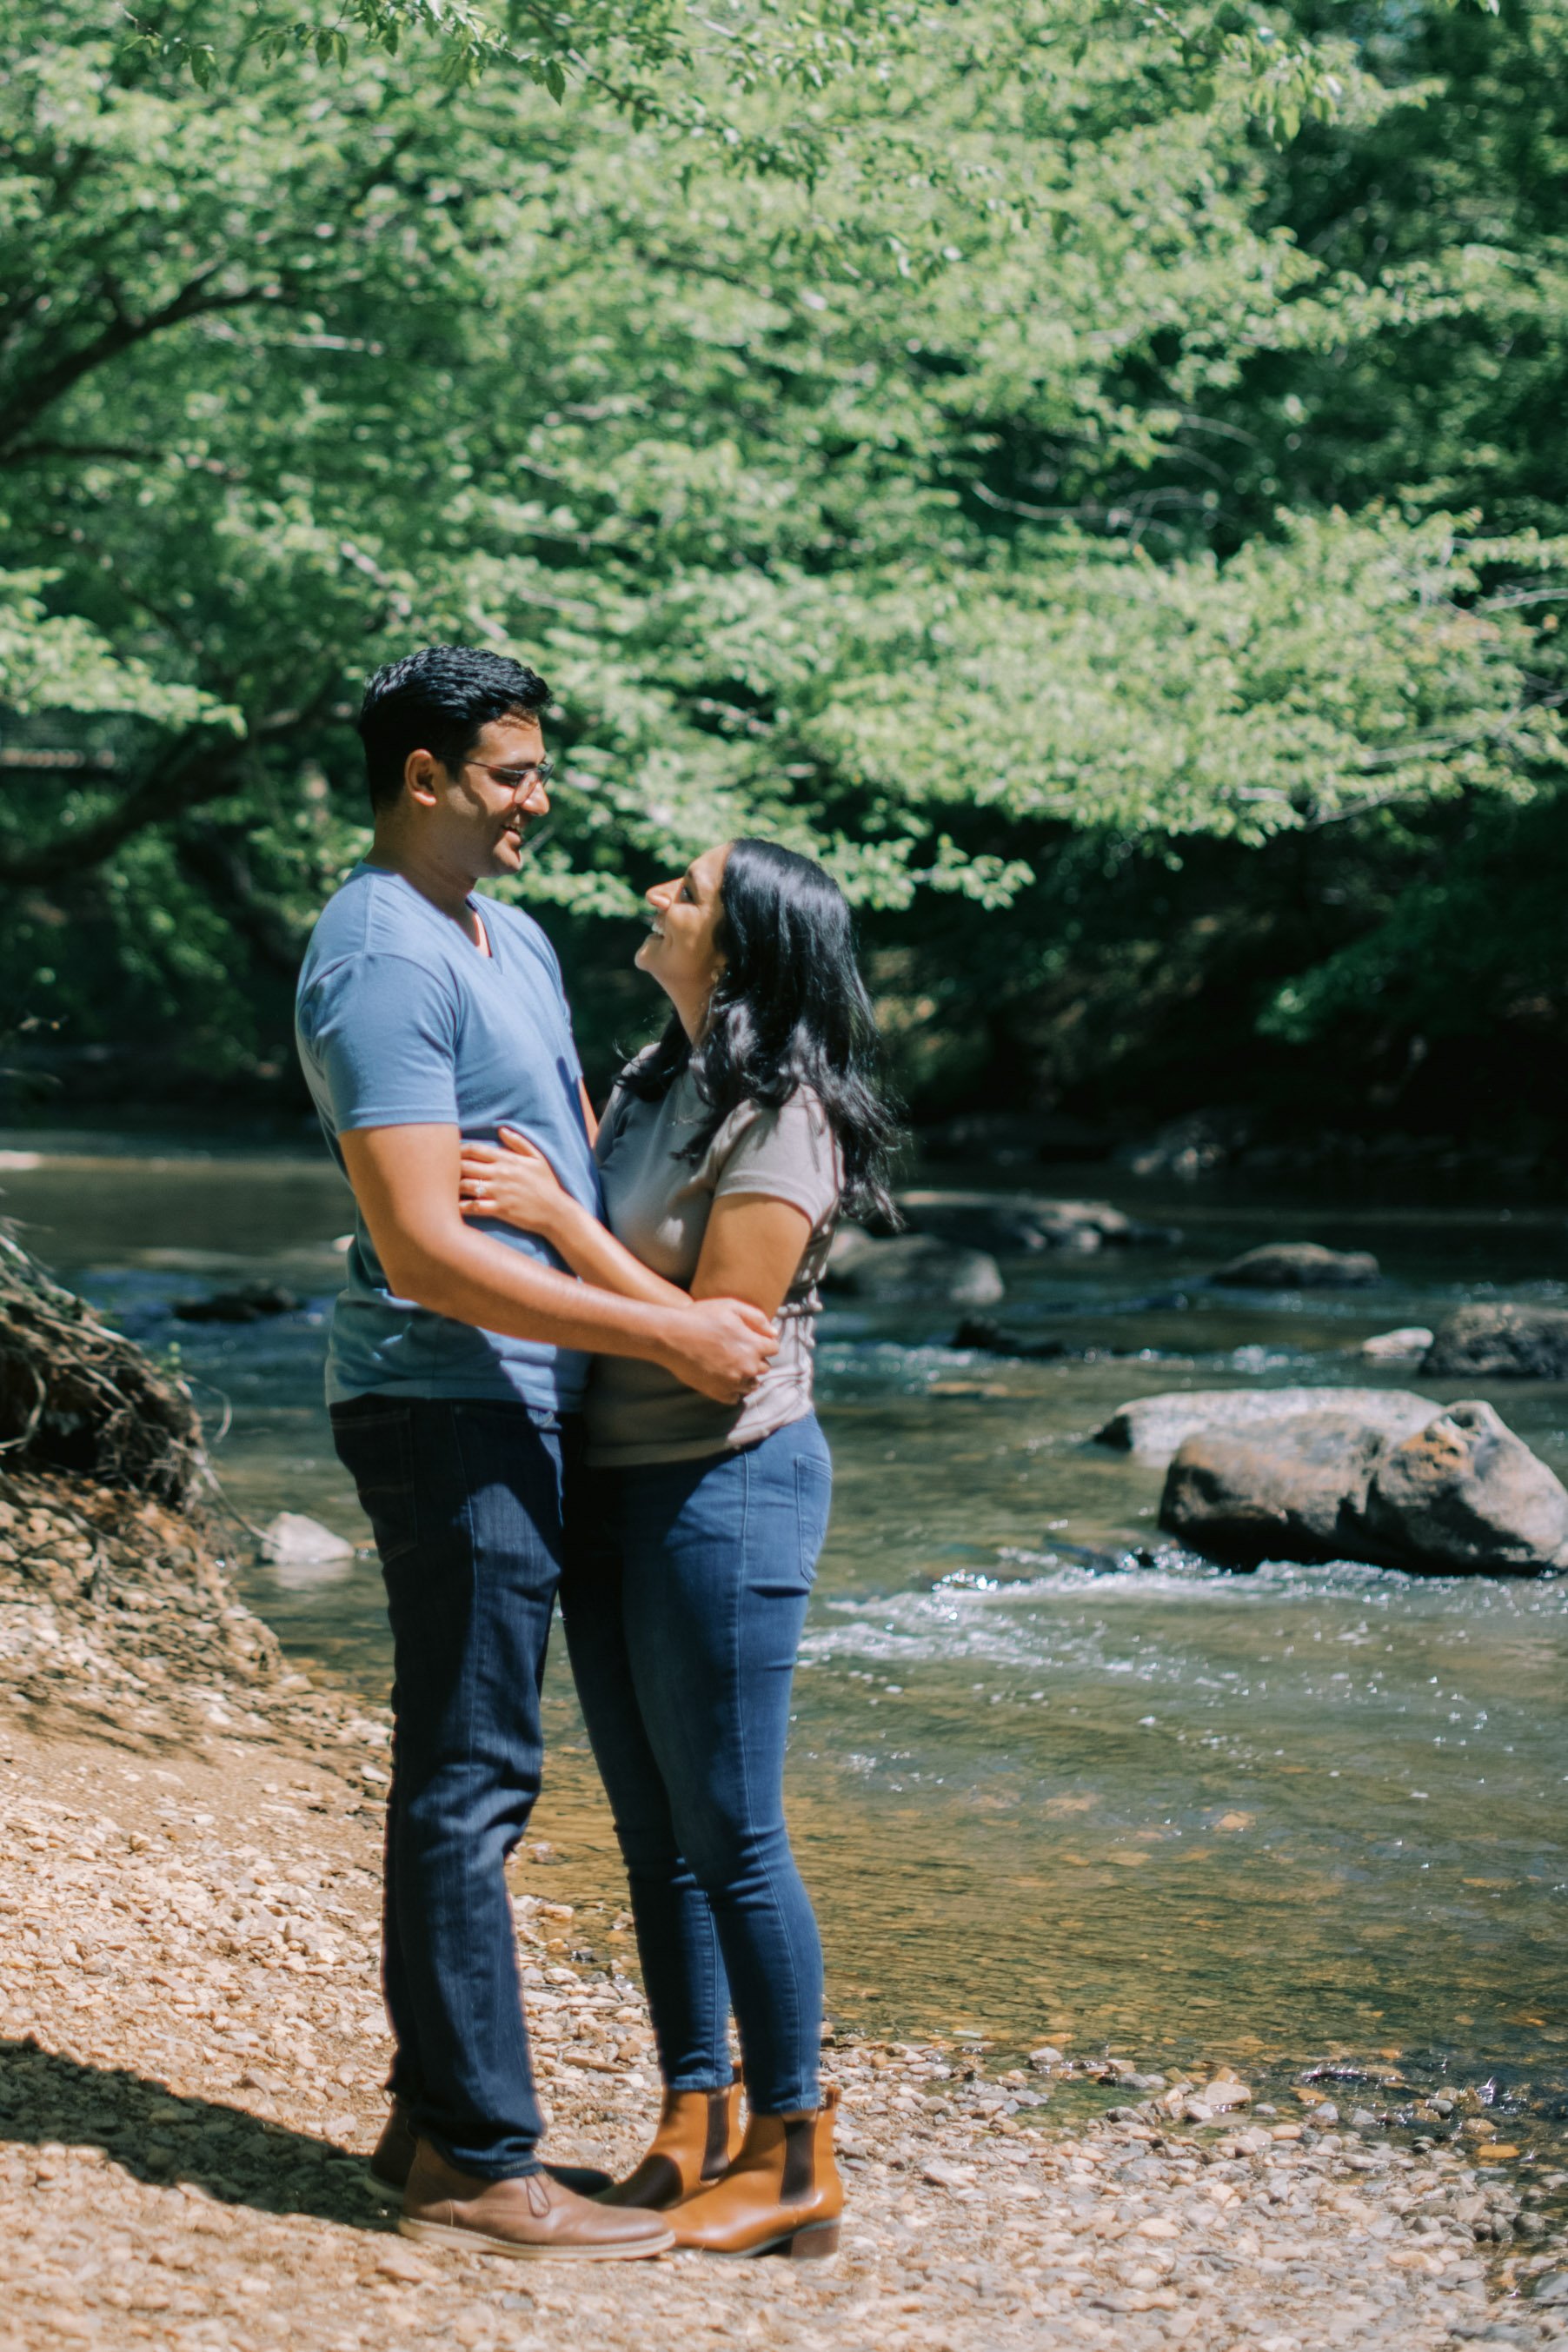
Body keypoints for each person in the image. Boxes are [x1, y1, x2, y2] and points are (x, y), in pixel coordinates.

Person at [294, 646, 778, 2263]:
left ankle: (434, 2109)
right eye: (510, 772)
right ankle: (479, 2163)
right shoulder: (375, 956)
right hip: (444, 1400)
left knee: (492, 1761)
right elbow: (426, 1248)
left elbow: (567, 1178)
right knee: (472, 1772)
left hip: (528, 1401)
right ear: (423, 778)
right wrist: (669, 1337)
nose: (539, 798)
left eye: (537, 767)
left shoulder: (509, 938)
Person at [457, 834, 901, 2259]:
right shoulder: (653, 1080)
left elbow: (720, 1341)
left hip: (733, 1482)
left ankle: (797, 2151)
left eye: (690, 889)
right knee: (656, 1839)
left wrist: (548, 1219)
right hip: (614, 1483)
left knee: (737, 1831)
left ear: (749, 943)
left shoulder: (785, 1117)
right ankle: (693, 2118)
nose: (659, 893)